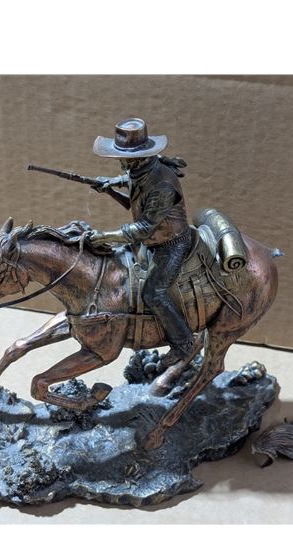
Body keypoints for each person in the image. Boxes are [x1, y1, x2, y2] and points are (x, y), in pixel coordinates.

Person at [88, 118, 202, 368]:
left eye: (125, 158)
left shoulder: (162, 183)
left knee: (154, 292)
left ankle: (185, 344)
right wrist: (109, 186)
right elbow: (131, 189)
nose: (121, 162)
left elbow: (143, 227)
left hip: (171, 244)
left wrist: (104, 236)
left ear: (140, 158)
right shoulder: (142, 171)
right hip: (150, 242)